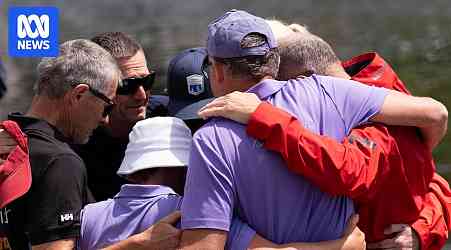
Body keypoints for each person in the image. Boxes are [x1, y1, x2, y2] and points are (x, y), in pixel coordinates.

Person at [176, 9, 438, 249]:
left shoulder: (211, 138)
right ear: (273, 61)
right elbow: (435, 113)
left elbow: (202, 246)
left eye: (209, 65)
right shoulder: (331, 91)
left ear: (219, 70)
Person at [2, 39, 120, 249]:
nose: (105, 120)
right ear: (79, 94)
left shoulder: (7, 141)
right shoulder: (60, 162)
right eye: (107, 107)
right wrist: (139, 244)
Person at [74, 32, 156, 201]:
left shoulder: (169, 116)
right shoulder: (77, 140)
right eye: (127, 85)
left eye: (147, 81)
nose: (141, 95)